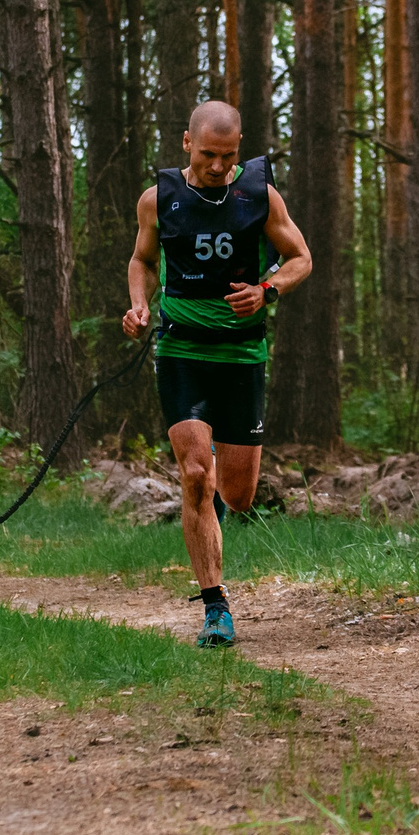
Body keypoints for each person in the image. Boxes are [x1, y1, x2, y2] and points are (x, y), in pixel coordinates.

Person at [122, 101, 314, 647]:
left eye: (228, 156)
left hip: (242, 355)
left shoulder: (259, 195)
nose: (217, 166)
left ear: (239, 149)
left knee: (239, 495)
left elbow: (300, 257)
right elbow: (142, 260)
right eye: (208, 154)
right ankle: (215, 607)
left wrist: (267, 289)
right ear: (187, 143)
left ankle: (213, 498)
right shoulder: (158, 199)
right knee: (194, 476)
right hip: (181, 350)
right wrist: (139, 305)